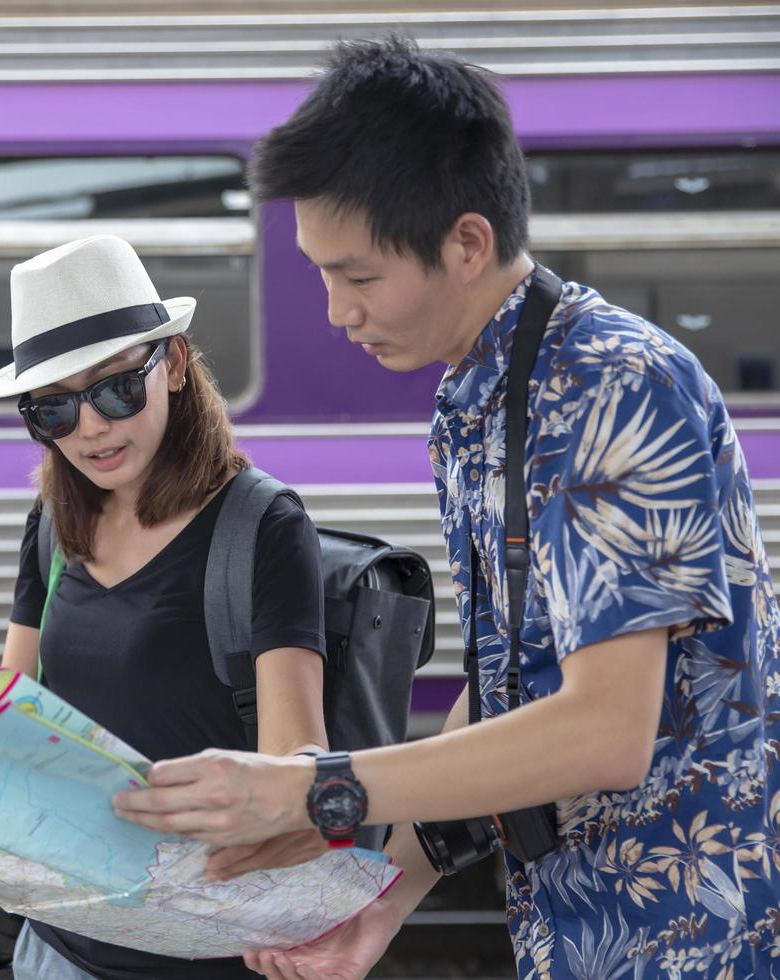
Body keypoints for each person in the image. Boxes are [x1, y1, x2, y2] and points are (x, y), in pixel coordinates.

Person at [111, 36, 780, 980]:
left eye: (359, 276)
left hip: (707, 933)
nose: (337, 312)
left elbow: (603, 732)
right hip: (577, 925)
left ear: (466, 243)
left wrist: (315, 792)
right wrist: (387, 893)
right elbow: (514, 683)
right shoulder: (477, 399)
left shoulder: (618, 384)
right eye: (321, 275)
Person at [0, 233, 331, 979]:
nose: (90, 427)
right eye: (52, 407)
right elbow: (12, 724)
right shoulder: (53, 520)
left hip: (203, 952)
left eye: (116, 388)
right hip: (57, 947)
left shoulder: (261, 524)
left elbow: (296, 762)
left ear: (175, 364)